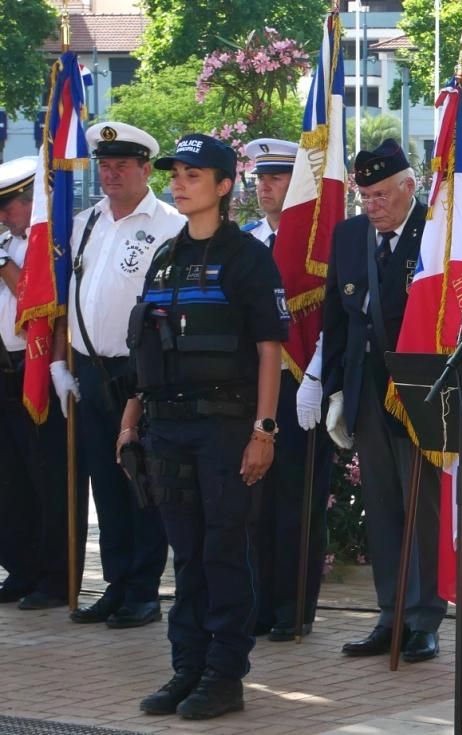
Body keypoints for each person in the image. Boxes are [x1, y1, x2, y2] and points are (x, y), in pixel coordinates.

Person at [119, 133, 288, 719]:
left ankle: (224, 675)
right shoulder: (165, 256)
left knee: (222, 550)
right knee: (185, 554)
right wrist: (131, 419)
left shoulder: (247, 257)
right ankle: (186, 669)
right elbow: (149, 347)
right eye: (176, 174)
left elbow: (270, 348)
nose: (179, 182)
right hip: (166, 428)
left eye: (194, 175)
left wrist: (264, 430)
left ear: (223, 187)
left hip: (225, 427)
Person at [322, 138, 444, 663]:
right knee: (383, 509)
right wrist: (331, 391)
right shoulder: (350, 236)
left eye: (380, 195)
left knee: (423, 510)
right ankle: (389, 616)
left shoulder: (437, 236)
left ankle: (424, 619)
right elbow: (335, 319)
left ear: (409, 187)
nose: (371, 205)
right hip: (366, 390)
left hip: (418, 392)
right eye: (364, 196)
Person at [57, 122, 183, 628]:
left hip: (140, 370)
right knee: (105, 482)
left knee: (140, 477)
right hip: (89, 366)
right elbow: (70, 292)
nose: (110, 175)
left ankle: (145, 589)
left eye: (121, 166)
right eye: (104, 166)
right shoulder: (86, 222)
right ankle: (116, 582)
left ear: (145, 170)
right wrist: (58, 362)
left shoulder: (169, 225)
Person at [242, 137, 332, 641]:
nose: (266, 188)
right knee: (254, 502)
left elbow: (329, 321)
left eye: (277, 178)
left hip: (301, 388)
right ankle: (257, 603)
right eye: (261, 179)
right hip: (255, 389)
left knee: (297, 503)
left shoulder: (318, 248)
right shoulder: (248, 242)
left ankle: (293, 608)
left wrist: (318, 377)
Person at [0, 156, 70, 610]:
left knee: (46, 477)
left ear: (35, 201)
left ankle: (54, 574)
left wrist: (3, 264)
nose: (4, 215)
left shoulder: (46, 247)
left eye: (11, 205)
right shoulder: (8, 242)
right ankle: (20, 567)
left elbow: (36, 310)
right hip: (3, 369)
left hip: (36, 368)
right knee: (10, 482)